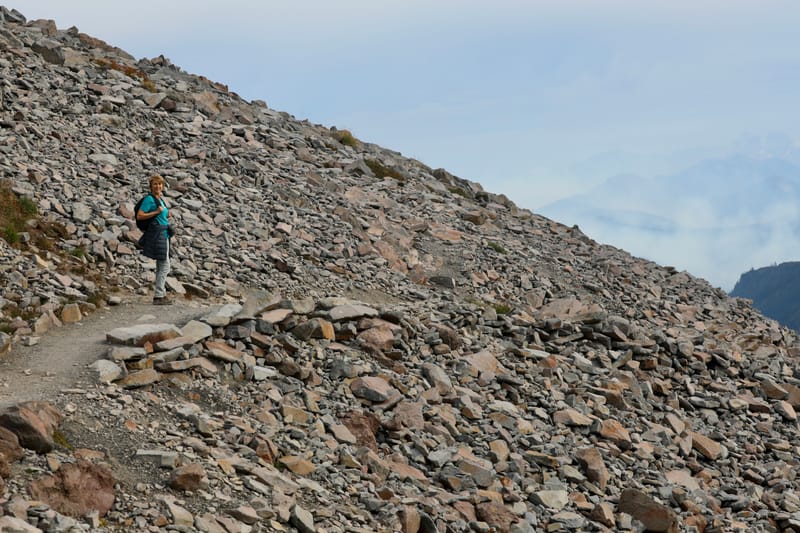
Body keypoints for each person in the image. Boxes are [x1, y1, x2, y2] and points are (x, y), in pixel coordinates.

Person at [136, 175, 173, 305]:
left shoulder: (159, 199)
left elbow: (160, 214)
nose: (158, 186)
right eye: (155, 184)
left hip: (164, 233)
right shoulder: (149, 199)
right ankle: (159, 295)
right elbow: (140, 216)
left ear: (163, 186)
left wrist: (166, 214)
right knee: (165, 265)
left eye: (160, 184)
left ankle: (160, 294)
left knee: (161, 264)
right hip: (159, 234)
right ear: (151, 186)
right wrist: (157, 212)